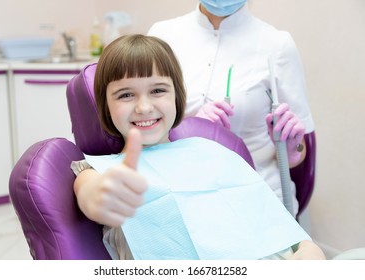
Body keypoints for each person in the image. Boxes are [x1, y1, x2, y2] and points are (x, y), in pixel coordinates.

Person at [71, 34, 325, 260]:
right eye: (126, 95)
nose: (144, 107)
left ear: (176, 97)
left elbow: (273, 221)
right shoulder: (97, 169)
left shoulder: (212, 150)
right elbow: (90, 194)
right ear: (106, 106)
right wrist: (100, 194)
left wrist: (308, 249)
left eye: (158, 90)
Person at [148, 0, 314, 215]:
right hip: (179, 186)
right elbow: (141, 121)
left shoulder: (277, 44)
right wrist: (189, 128)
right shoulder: (162, 35)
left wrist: (292, 149)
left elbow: (300, 150)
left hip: (256, 191)